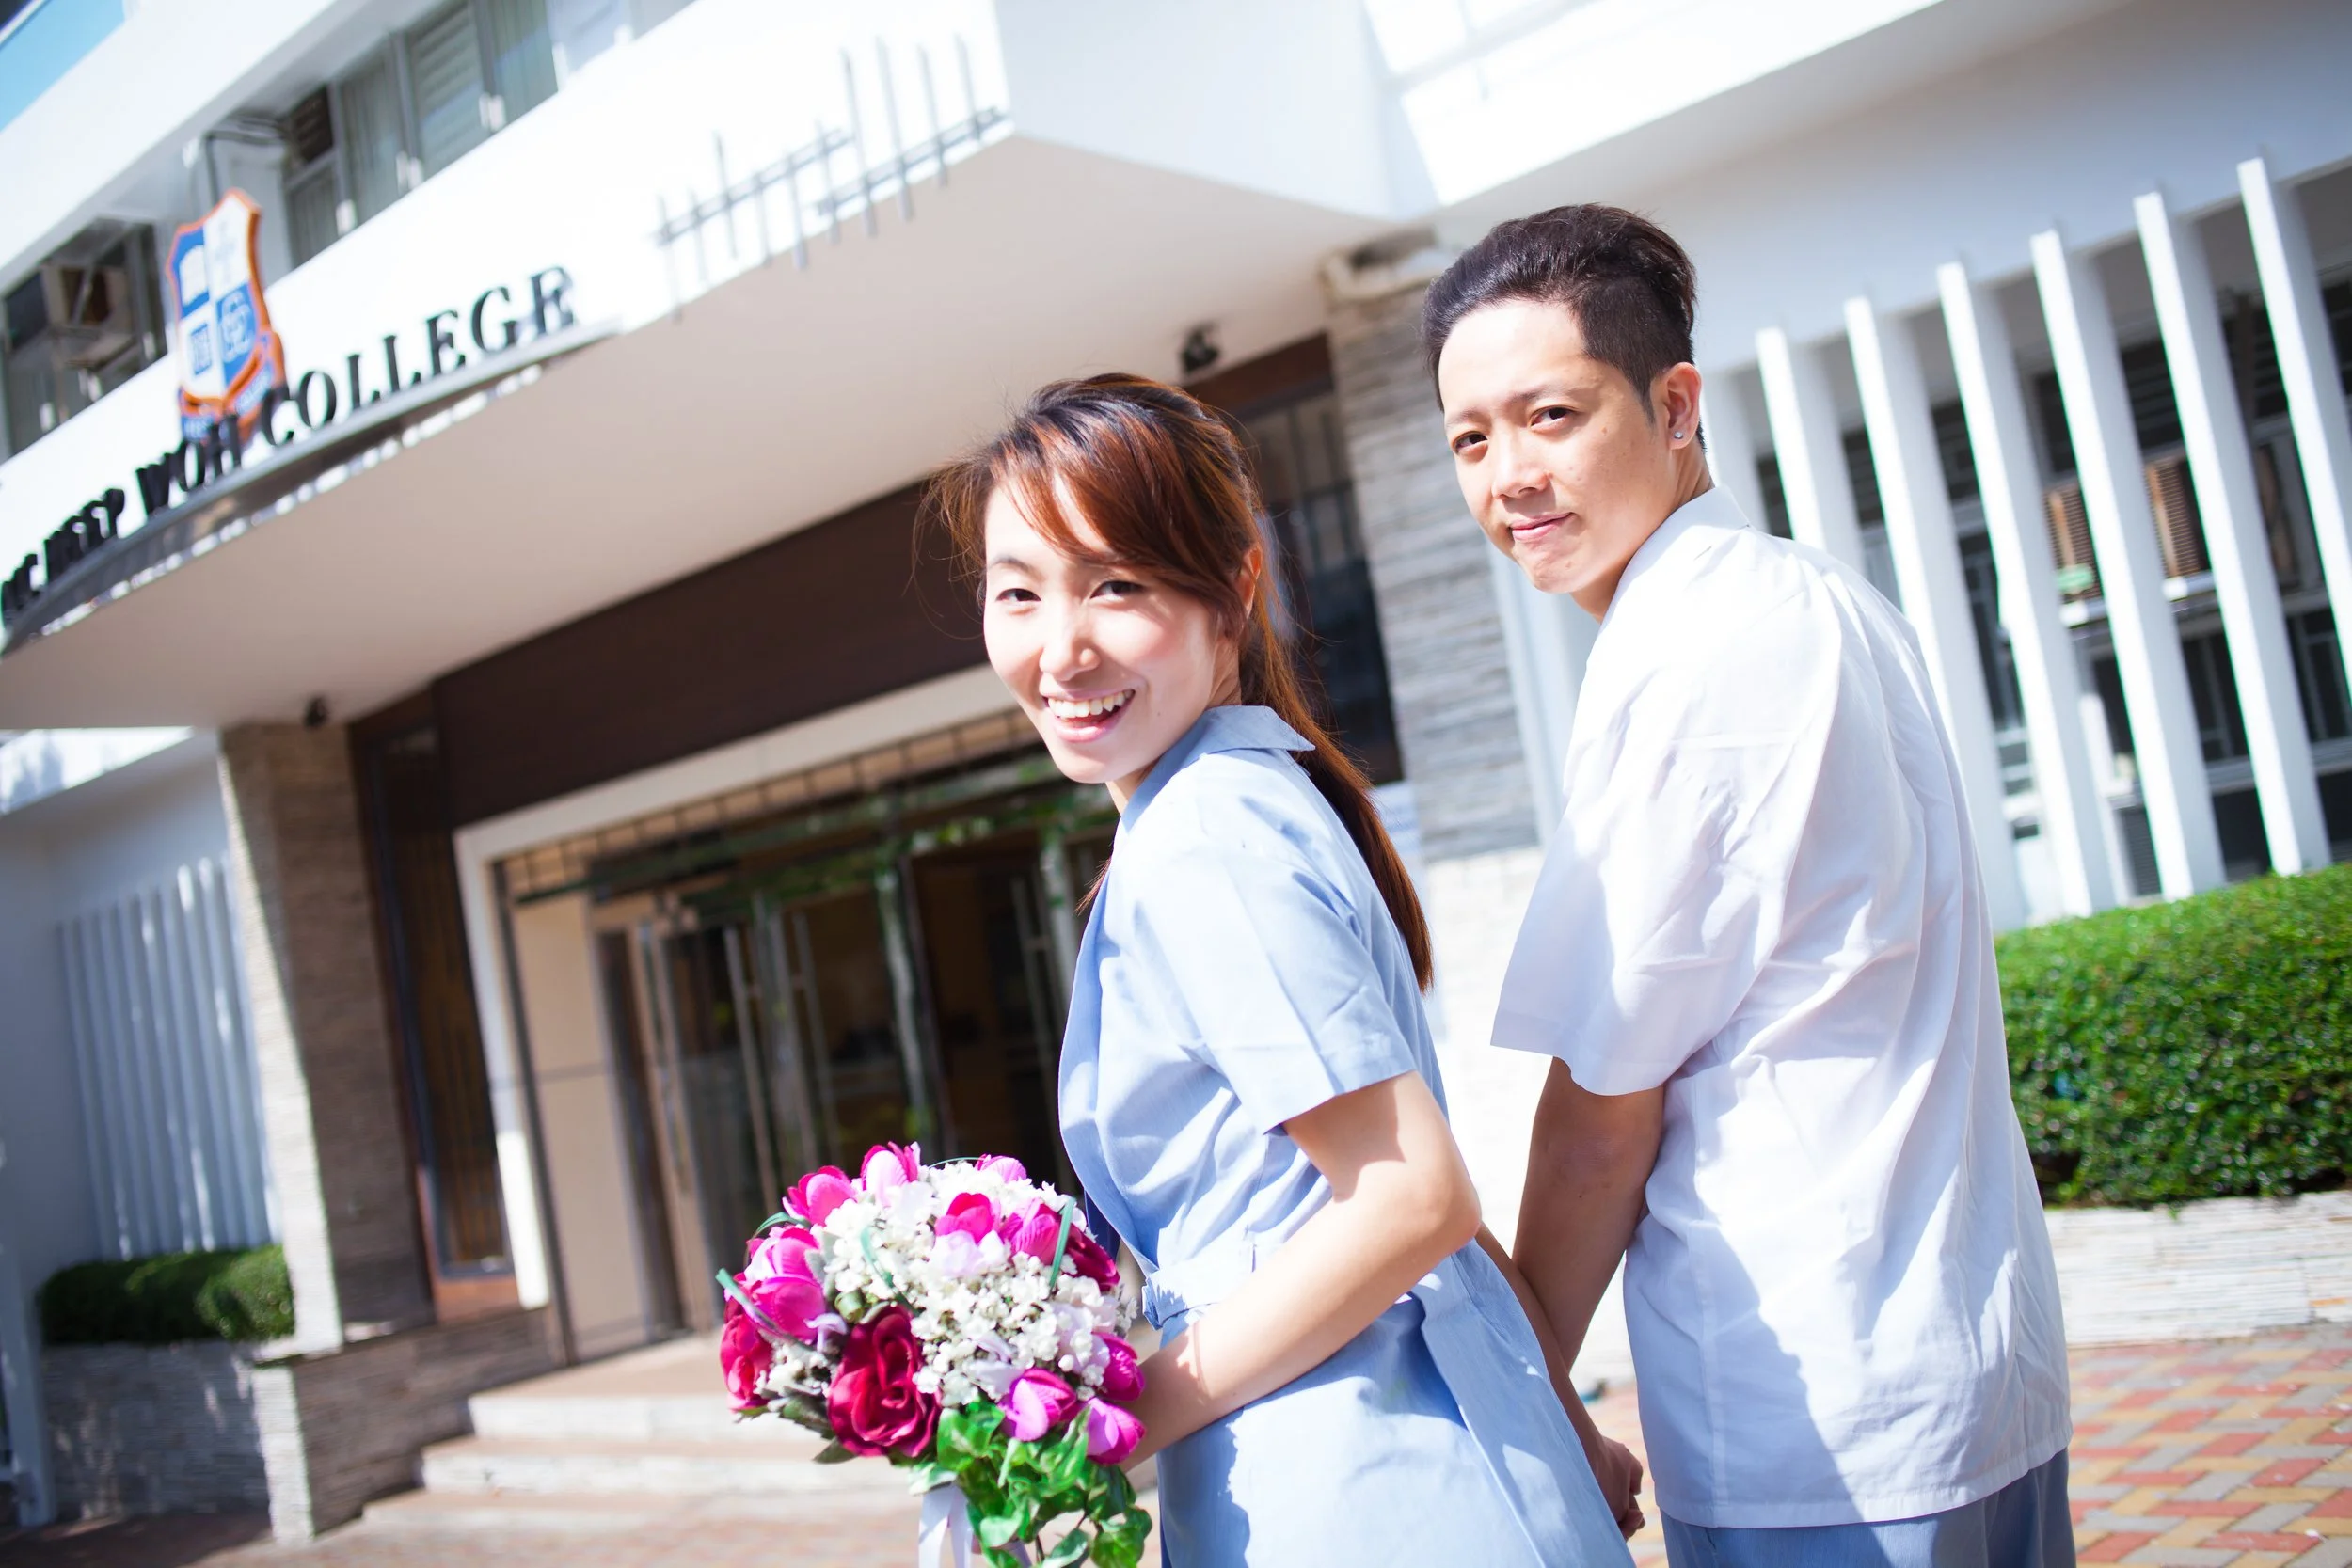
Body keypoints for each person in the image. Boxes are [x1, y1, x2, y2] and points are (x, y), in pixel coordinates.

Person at [1424, 204, 2075, 1566]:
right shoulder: (1818, 595)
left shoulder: (1691, 661)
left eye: (1551, 414)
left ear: (1673, 405)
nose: (1509, 478)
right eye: (1472, 439)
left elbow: (1606, 1110)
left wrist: (1532, 1384)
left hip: (1818, 1417)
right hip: (1971, 1361)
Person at [929, 373, 1636, 1565]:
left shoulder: (1205, 836)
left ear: (1233, 589)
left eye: (1116, 584)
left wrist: (1077, 1435)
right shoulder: (1247, 796)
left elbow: (1412, 1198)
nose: (1061, 647)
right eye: (1018, 593)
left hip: (1356, 1487)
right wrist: (1564, 1421)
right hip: (1430, 1455)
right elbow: (1418, 1206)